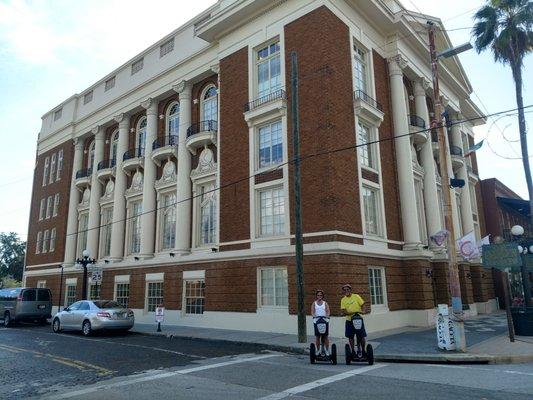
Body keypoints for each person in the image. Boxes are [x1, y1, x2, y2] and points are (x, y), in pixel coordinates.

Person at [340, 283, 366, 356]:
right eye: (344, 290)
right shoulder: (343, 300)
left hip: (358, 319)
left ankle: (363, 350)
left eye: (347, 289)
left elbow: (363, 305)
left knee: (361, 335)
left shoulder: (356, 296)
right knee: (350, 336)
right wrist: (347, 313)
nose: (346, 291)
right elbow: (344, 310)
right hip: (349, 320)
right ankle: (353, 351)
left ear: (350, 290)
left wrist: (363, 311)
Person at [311, 289, 331, 355]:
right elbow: (312, 311)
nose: (319, 296)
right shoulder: (314, 303)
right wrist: (314, 316)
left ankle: (327, 350)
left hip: (325, 321)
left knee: (325, 336)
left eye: (321, 295)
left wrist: (327, 316)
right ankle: (318, 350)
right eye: (318, 295)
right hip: (317, 321)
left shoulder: (325, 303)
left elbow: (328, 311)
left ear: (322, 296)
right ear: (316, 296)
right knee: (317, 336)